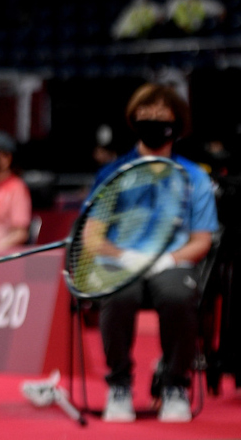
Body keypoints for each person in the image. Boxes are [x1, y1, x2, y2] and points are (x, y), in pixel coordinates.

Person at [92, 83, 219, 423]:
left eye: (161, 115)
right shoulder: (113, 174)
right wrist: (125, 257)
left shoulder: (195, 177)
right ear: (134, 120)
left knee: (178, 295)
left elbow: (202, 240)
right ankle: (119, 384)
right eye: (144, 115)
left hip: (172, 263)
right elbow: (91, 237)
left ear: (178, 122)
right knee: (117, 294)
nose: (152, 120)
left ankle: (174, 384)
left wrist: (167, 260)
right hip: (123, 263)